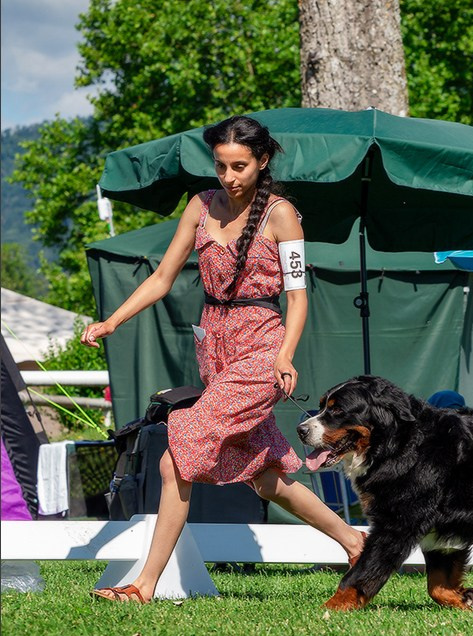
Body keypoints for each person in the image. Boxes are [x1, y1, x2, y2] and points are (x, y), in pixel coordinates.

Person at [82, 115, 364, 603]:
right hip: (215, 346)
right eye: (221, 166)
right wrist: (112, 321)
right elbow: (162, 278)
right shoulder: (199, 205)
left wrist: (285, 355)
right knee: (266, 477)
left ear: (262, 161)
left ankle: (144, 585)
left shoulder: (283, 214)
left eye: (240, 166)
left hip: (263, 347)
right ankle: (355, 541)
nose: (229, 177)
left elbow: (297, 298)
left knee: (180, 452)